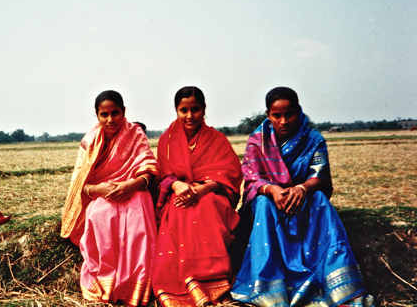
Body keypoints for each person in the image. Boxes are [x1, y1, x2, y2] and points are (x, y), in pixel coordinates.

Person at [231, 87, 374, 307]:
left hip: (303, 200)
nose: (284, 121)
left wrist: (302, 189)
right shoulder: (257, 141)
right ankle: (268, 287)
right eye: (276, 115)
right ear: (268, 114)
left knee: (320, 200)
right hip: (270, 200)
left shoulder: (313, 139)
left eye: (289, 114)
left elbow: (320, 175)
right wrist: (272, 190)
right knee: (262, 202)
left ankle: (337, 284)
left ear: (298, 111)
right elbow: (252, 180)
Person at [61, 90, 158, 306]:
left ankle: (135, 284)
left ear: (124, 111)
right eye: (104, 114)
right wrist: (100, 190)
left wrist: (131, 185)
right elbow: (81, 185)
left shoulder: (135, 134)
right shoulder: (90, 141)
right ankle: (107, 282)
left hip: (134, 189)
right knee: (101, 213)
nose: (110, 119)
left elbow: (148, 169)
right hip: (102, 194)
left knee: (138, 211)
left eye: (115, 113)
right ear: (97, 115)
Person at [152, 86, 243, 307]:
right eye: (184, 110)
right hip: (179, 194)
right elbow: (163, 175)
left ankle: (214, 281)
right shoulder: (166, 141)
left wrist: (203, 189)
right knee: (178, 207)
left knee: (206, 206)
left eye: (195, 109)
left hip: (211, 193)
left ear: (204, 109)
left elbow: (230, 174)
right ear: (176, 110)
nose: (190, 115)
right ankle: (188, 284)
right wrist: (177, 185)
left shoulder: (217, 139)